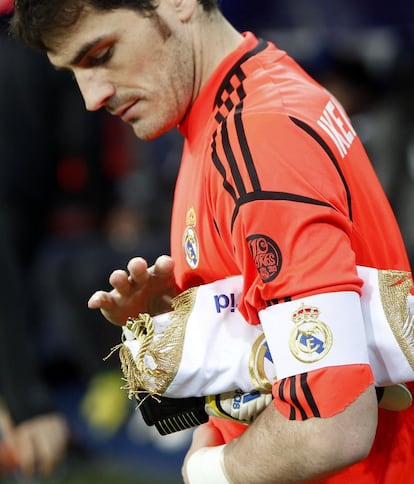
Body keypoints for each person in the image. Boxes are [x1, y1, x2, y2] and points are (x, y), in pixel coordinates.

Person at [10, 1, 414, 483]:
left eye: (101, 54)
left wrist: (209, 472)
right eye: (73, 72)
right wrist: (200, 322)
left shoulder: (260, 135)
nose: (91, 97)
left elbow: (334, 422)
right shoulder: (238, 102)